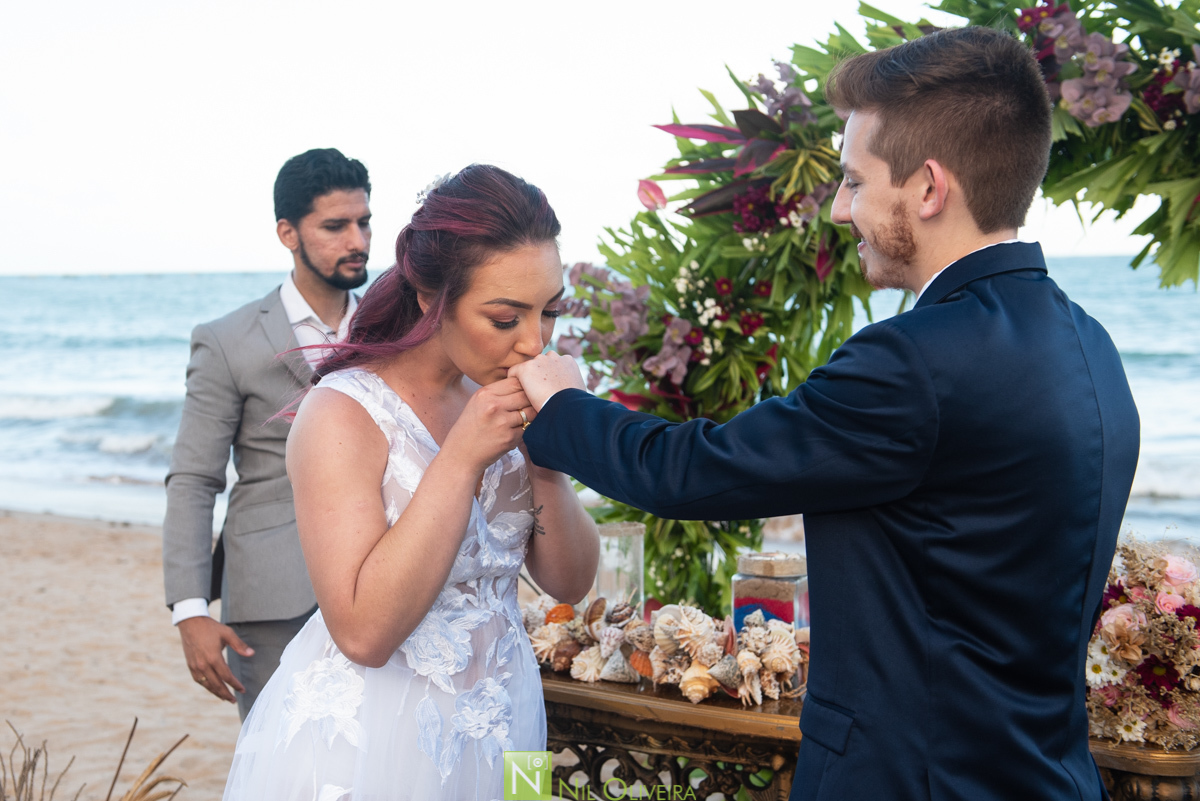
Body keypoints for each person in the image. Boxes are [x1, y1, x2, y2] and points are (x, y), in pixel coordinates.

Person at [511, 27, 1139, 801]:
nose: (841, 208)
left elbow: (695, 471)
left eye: (853, 179)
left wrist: (560, 405)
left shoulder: (914, 360)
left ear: (929, 188)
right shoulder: (1094, 346)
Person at [221, 164, 599, 800]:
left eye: (550, 312)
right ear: (430, 297)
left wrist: (550, 462)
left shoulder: (501, 391)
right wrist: (461, 457)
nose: (535, 343)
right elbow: (363, 633)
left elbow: (569, 583)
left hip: (509, 720)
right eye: (506, 318)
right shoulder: (343, 413)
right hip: (380, 739)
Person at [163, 148, 373, 720]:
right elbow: (194, 477)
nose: (356, 240)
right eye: (335, 226)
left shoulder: (393, 327)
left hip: (386, 576)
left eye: (364, 221)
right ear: (288, 233)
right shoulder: (226, 339)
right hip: (273, 594)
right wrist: (190, 609)